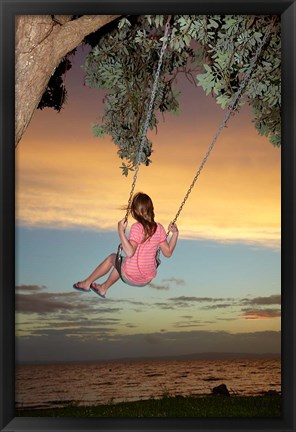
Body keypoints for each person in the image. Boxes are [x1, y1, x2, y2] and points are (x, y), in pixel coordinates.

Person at [73, 192, 179, 298]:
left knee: (112, 258)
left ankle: (87, 283)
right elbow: (168, 253)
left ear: (135, 211)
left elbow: (130, 252)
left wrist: (121, 231)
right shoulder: (159, 228)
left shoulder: (137, 227)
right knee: (120, 262)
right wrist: (175, 233)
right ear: (151, 208)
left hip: (131, 275)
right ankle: (103, 288)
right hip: (146, 279)